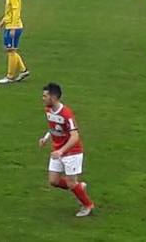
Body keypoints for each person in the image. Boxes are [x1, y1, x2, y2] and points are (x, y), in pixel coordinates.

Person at [38, 83, 95, 217]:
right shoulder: (48, 110)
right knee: (54, 181)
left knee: (70, 182)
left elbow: (75, 136)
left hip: (72, 151)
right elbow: (54, 127)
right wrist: (46, 137)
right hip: (57, 150)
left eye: (45, 96)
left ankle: (88, 205)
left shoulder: (66, 114)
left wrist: (61, 151)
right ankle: (78, 187)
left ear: (53, 97)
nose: (43, 98)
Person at [0, 0, 30, 84]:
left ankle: (10, 76)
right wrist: (3, 20)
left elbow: (16, 12)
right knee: (11, 50)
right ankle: (23, 70)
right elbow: (10, 12)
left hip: (14, 27)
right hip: (10, 25)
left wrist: (13, 28)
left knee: (11, 51)